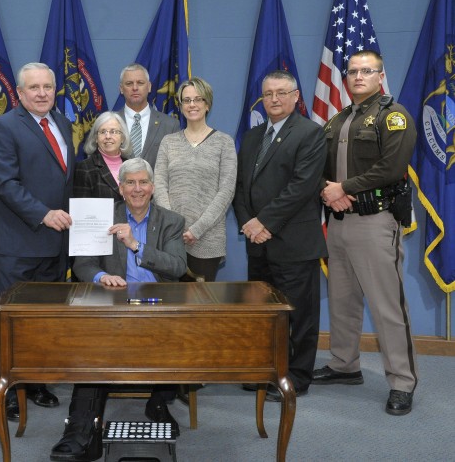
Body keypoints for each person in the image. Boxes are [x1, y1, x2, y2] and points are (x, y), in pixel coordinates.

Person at [51, 158, 187, 462]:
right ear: (121, 188)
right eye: (130, 183)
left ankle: (160, 400)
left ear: (152, 187)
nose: (137, 189)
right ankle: (81, 430)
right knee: (94, 347)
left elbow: (178, 267)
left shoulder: (171, 221)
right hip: (112, 307)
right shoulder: (103, 216)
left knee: (181, 336)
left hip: (157, 307)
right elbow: (83, 263)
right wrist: (102, 277)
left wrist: (136, 245)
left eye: (143, 182)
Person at [313, 50, 418, 415]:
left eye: (367, 71)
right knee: (342, 300)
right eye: (353, 71)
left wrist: (345, 188)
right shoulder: (337, 121)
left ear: (380, 75)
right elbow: (318, 167)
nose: (358, 76)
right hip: (339, 223)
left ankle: (402, 382)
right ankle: (344, 364)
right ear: (346, 77)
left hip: (375, 221)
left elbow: (392, 167)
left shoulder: (394, 116)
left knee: (388, 306)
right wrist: (329, 189)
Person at [0, 62, 74, 421]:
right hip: (18, 244)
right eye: (34, 88)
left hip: (55, 245)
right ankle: (8, 389)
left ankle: (37, 383)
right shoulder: (3, 127)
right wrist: (43, 214)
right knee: (13, 322)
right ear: (19, 93)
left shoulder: (63, 124)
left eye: (47, 87)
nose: (41, 93)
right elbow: (6, 184)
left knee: (44, 321)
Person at [233, 70, 327, 401]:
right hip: (257, 244)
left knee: (298, 315)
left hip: (293, 243)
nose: (274, 99)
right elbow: (241, 186)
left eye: (281, 93)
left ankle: (297, 377)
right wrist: (248, 223)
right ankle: (265, 370)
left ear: (296, 96)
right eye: (268, 93)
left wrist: (265, 223)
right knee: (264, 316)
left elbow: (301, 188)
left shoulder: (310, 133)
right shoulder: (251, 136)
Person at [155, 77, 237, 281]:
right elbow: (159, 184)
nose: (192, 105)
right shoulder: (168, 142)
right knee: (171, 302)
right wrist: (174, 225)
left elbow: (226, 191)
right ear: (181, 105)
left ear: (207, 104)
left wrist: (196, 229)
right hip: (171, 237)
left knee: (200, 303)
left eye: (198, 99)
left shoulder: (223, 142)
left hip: (207, 238)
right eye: (186, 100)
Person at [116, 63, 179, 168]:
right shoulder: (109, 123)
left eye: (140, 83)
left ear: (149, 87)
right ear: (121, 89)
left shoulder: (170, 126)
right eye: (129, 83)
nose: (135, 88)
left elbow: (176, 167)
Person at [74, 111, 132, 201]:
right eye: (103, 132)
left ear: (122, 138)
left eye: (113, 131)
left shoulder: (131, 166)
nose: (108, 136)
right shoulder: (85, 168)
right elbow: (82, 210)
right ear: (96, 138)